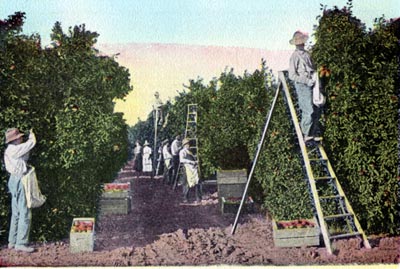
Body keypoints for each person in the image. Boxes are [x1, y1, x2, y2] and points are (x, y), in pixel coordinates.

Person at [4, 128, 36, 253]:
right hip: (20, 180)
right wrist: (32, 135)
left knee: (16, 211)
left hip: (13, 180)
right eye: (20, 137)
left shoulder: (10, 150)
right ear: (16, 139)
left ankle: (12, 241)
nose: (22, 138)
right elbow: (31, 144)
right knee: (25, 212)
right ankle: (21, 243)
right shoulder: (15, 149)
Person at [288, 30, 322, 143]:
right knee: (308, 109)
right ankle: (307, 133)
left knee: (317, 106)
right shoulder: (294, 56)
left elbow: (312, 67)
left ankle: (313, 132)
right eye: (299, 42)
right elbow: (292, 75)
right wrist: (306, 80)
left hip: (312, 83)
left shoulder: (307, 54)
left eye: (302, 42)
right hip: (302, 85)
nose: (301, 44)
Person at [179, 138, 202, 203]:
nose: (188, 145)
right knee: (186, 184)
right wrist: (190, 162)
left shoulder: (189, 151)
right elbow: (181, 160)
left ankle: (198, 198)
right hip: (186, 169)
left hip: (192, 169)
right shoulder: (182, 151)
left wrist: (195, 162)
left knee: (197, 181)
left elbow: (192, 159)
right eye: (186, 144)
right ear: (184, 145)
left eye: (188, 144)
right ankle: (185, 198)